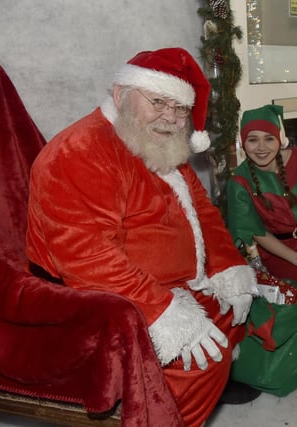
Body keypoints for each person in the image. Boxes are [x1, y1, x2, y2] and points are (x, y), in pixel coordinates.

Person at [25, 47, 261, 427]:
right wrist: (162, 310)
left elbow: (202, 211)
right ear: (120, 94)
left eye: (180, 108)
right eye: (159, 101)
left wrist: (228, 266)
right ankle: (170, 412)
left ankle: (216, 383)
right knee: (197, 356)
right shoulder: (81, 151)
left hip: (174, 280)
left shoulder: (157, 140)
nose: (170, 117)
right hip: (106, 299)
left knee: (236, 305)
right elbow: (87, 257)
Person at [226, 104, 297, 286]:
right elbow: (257, 231)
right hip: (277, 252)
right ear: (243, 143)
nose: (261, 148)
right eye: (252, 140)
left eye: (269, 139)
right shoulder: (239, 182)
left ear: (279, 140)